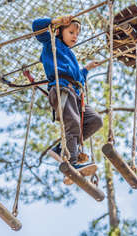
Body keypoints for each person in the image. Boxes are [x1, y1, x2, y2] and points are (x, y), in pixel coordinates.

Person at [32, 15, 103, 170]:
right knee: (73, 123)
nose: (75, 37)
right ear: (59, 32)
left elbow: (77, 78)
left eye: (77, 34)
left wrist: (87, 69)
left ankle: (60, 148)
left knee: (95, 120)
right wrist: (56, 22)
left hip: (75, 93)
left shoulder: (70, 55)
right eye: (71, 32)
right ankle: (71, 162)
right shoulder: (51, 43)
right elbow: (36, 26)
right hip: (61, 89)